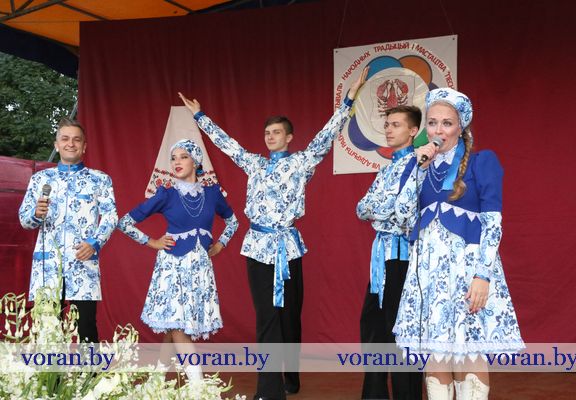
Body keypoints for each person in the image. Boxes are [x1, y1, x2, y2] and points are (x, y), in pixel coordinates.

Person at [178, 67, 368, 400]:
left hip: (288, 247)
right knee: (267, 318)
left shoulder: (302, 162)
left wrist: (349, 100)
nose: (270, 136)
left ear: (289, 137)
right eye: (267, 132)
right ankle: (269, 390)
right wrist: (200, 116)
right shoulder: (254, 163)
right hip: (257, 247)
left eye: (277, 132)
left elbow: (326, 135)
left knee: (289, 317)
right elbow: (227, 145)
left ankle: (290, 375)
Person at [392, 88, 524, 400]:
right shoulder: (415, 166)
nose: (438, 130)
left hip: (468, 270)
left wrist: (483, 275)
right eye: (433, 122)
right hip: (428, 274)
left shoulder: (482, 162)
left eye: (447, 123)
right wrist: (418, 167)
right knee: (436, 354)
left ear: (460, 127)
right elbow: (401, 216)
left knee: (468, 352)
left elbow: (493, 223)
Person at [117, 139, 238, 382]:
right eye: (173, 158)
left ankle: (156, 380)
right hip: (172, 269)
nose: (176, 162)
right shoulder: (166, 193)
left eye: (183, 157)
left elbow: (233, 221)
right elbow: (124, 222)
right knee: (178, 327)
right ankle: (198, 388)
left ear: (196, 161)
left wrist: (220, 244)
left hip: (200, 269)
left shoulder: (212, 193)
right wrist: (152, 242)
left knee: (174, 326)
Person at [18, 117, 118, 343]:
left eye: (76, 139)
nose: (70, 144)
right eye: (65, 139)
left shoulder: (100, 179)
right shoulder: (40, 179)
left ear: (84, 146)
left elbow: (111, 215)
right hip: (47, 266)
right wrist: (36, 214)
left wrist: (94, 243)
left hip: (83, 262)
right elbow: (25, 221)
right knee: (47, 331)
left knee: (86, 329)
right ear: (56, 145)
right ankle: (52, 369)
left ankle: (89, 368)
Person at [356, 105, 423, 400]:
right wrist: (384, 208)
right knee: (373, 324)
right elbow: (361, 208)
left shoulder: (419, 165)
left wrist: (381, 208)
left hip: (403, 255)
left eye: (396, 124)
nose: (388, 129)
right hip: (381, 255)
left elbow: (404, 213)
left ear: (413, 131)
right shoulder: (385, 170)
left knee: (401, 327)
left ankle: (407, 394)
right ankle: (374, 394)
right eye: (387, 124)